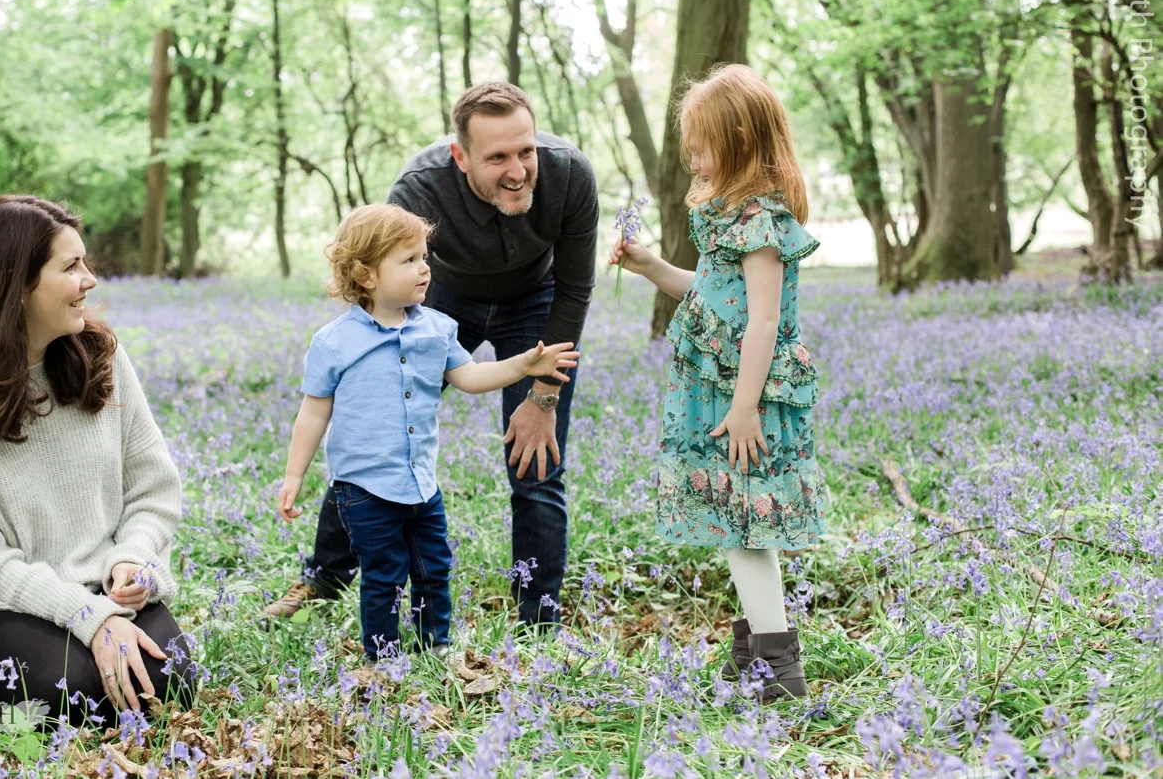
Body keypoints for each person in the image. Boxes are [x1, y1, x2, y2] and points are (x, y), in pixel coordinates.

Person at [266, 82, 599, 627]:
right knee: (376, 438)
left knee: (537, 461)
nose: (518, 171)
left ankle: (539, 618)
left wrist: (543, 396)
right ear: (460, 156)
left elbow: (575, 287)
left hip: (536, 306)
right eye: (497, 158)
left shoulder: (571, 175)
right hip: (439, 299)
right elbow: (383, 276)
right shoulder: (419, 187)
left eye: (526, 151)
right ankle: (323, 577)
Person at [0, 195, 194, 728]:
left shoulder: (102, 358)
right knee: (77, 696)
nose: (90, 279)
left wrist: (132, 559)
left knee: (168, 683)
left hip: (103, 586)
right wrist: (89, 618)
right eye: (71, 266)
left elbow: (153, 490)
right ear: (17, 285)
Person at [611, 64, 827, 703]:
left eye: (701, 146)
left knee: (744, 523)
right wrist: (652, 267)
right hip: (720, 390)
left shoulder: (761, 220)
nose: (693, 159)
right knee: (739, 521)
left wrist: (744, 406)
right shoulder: (728, 213)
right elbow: (709, 296)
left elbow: (764, 320)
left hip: (743, 393)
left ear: (737, 139)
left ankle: (778, 671)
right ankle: (753, 653)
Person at [277, 204, 579, 660]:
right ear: (366, 275)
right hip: (363, 489)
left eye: (424, 257)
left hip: (420, 483)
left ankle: (434, 646)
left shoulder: (437, 329)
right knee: (384, 575)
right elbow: (314, 413)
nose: (424, 268)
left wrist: (523, 365)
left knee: (434, 567)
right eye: (409, 260)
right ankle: (384, 659)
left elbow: (471, 376)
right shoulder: (334, 342)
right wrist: (294, 475)